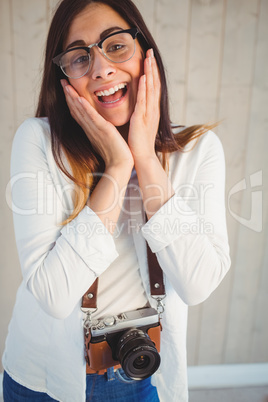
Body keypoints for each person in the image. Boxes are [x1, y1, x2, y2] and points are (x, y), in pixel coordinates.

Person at [2, 0, 231, 401]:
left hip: (144, 375)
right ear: (65, 80)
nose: (101, 68)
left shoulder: (199, 151)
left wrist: (145, 158)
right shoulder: (37, 141)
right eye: (79, 57)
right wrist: (118, 165)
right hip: (43, 377)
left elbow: (197, 285)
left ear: (147, 53)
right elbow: (54, 297)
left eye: (116, 45)